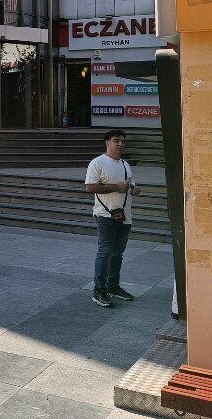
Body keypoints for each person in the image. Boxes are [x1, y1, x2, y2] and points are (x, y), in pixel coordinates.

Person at [85, 128, 141, 308]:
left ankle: (113, 287)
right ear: (107, 143)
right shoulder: (97, 163)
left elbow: (130, 183)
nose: (120, 144)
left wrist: (134, 189)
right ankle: (99, 291)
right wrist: (116, 187)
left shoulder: (125, 164)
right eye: (116, 140)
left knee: (118, 254)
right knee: (105, 253)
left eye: (122, 141)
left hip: (124, 216)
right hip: (105, 215)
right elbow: (90, 187)